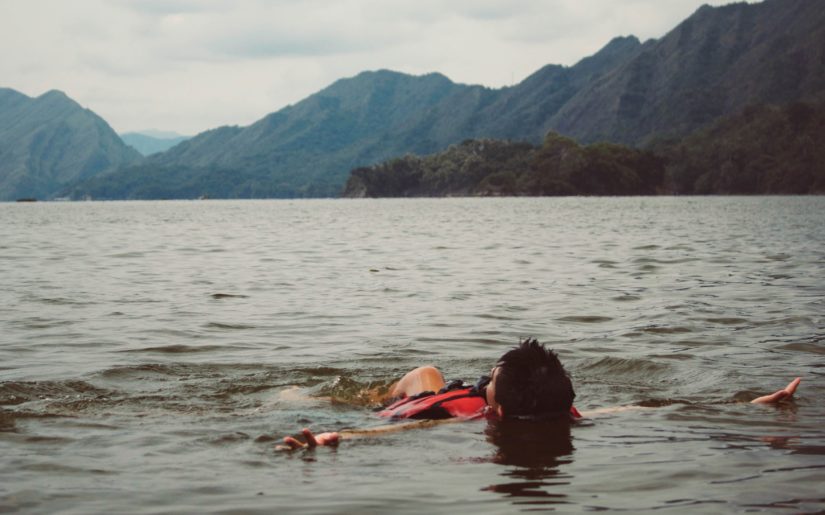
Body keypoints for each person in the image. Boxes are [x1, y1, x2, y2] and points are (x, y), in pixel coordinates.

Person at [280, 338, 801, 450]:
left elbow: (392, 429)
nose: (482, 385)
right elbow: (648, 409)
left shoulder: (461, 420)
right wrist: (748, 407)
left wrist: (331, 437)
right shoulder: (568, 412)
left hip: (411, 403)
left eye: (487, 383)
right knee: (430, 372)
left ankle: (295, 397)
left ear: (496, 411)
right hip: (437, 393)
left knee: (426, 375)